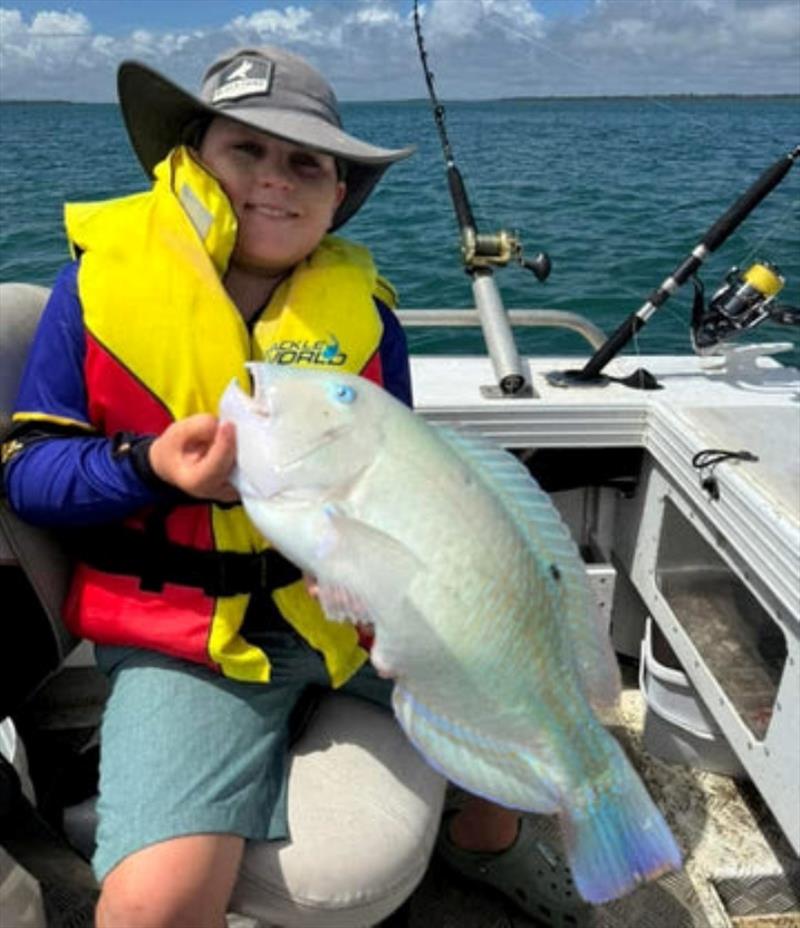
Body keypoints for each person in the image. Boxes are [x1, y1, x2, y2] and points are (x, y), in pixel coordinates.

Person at [2, 46, 582, 928]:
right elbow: (30, 476)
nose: (276, 179)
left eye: (306, 162)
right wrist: (149, 466)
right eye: (248, 151)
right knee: (150, 909)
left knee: (524, 694)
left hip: (348, 610)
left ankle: (490, 839)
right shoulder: (94, 291)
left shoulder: (367, 319)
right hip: (188, 640)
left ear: (338, 193)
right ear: (190, 158)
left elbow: (407, 478)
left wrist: (397, 581)